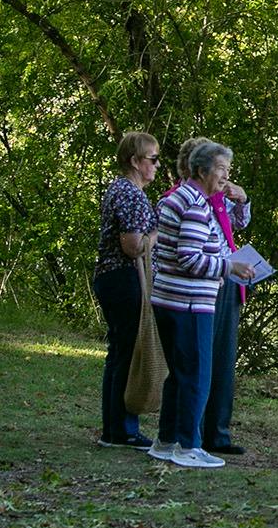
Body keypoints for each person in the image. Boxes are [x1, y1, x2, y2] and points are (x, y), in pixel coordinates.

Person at [149, 140, 256, 468]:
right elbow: (190, 258)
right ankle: (188, 445)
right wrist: (230, 266)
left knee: (179, 375)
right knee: (196, 374)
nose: (226, 177)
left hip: (168, 297)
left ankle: (165, 440)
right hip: (190, 302)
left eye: (227, 170)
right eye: (222, 169)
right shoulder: (195, 204)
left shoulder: (181, 198)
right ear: (202, 170)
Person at [94, 131, 161, 449]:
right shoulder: (130, 194)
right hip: (123, 278)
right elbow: (133, 246)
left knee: (119, 353)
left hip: (114, 278)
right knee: (127, 354)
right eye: (153, 159)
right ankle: (122, 429)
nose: (157, 166)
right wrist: (156, 234)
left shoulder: (124, 190)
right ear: (135, 161)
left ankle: (114, 428)